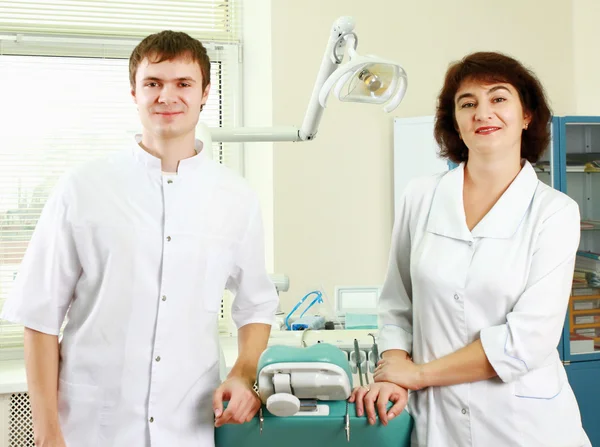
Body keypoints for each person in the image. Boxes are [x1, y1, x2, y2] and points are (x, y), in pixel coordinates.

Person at [0, 30, 278, 447]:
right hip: (91, 427)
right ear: (134, 92)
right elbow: (39, 317)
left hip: (188, 423)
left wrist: (243, 371)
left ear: (205, 92)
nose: (168, 96)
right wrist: (47, 436)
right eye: (153, 83)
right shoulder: (83, 187)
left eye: (183, 83)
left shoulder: (236, 198)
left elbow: (256, 303)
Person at [349, 52, 591, 447]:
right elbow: (397, 304)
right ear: (455, 121)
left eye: (498, 99)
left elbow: (525, 342)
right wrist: (393, 363)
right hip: (440, 423)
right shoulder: (422, 196)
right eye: (468, 103)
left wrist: (418, 375)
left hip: (526, 426)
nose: (483, 113)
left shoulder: (555, 213)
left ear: (526, 115)